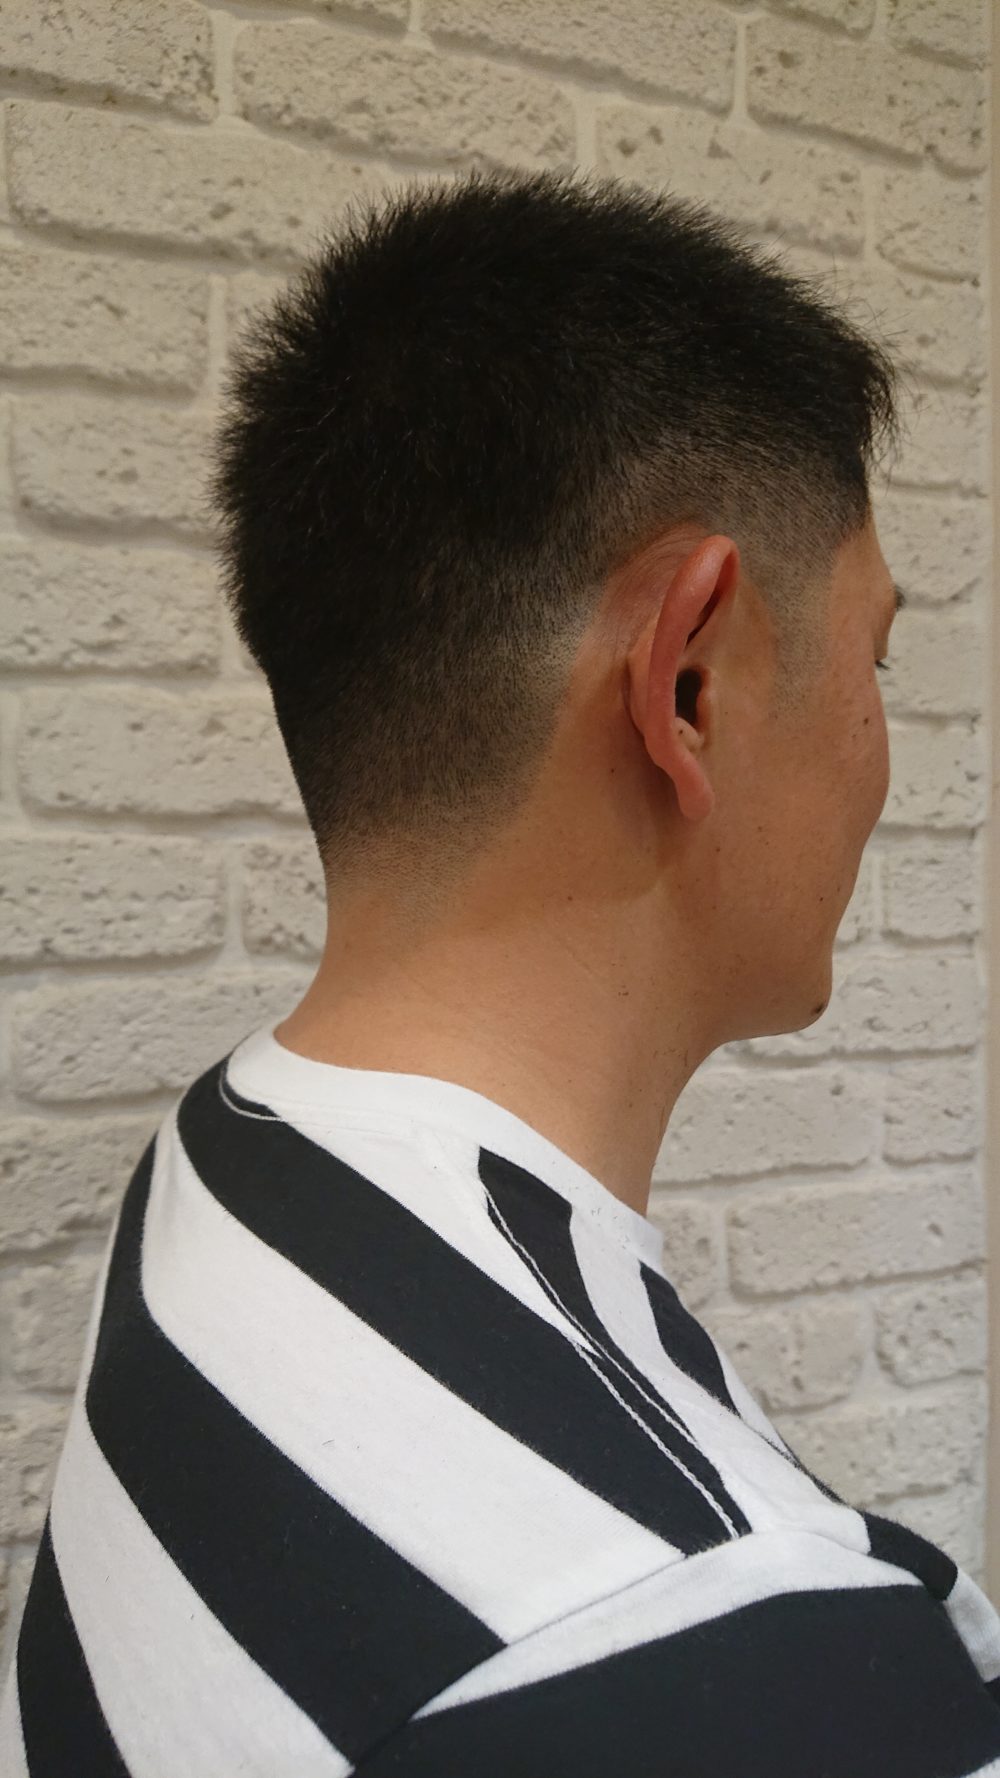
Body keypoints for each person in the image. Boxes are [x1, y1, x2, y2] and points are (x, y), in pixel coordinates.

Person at [4, 165, 999, 1778]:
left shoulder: (235, 1151)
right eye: (875, 656)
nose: (890, 743)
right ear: (689, 681)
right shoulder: (726, 1649)